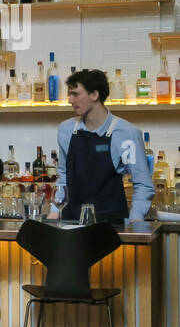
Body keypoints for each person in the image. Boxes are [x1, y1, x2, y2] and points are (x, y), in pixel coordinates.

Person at [53, 68, 152, 223]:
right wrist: (54, 213)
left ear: (94, 94)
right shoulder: (66, 130)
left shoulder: (127, 133)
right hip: (70, 224)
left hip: (111, 226)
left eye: (75, 94)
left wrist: (135, 221)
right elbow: (63, 178)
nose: (70, 100)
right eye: (69, 94)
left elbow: (143, 184)